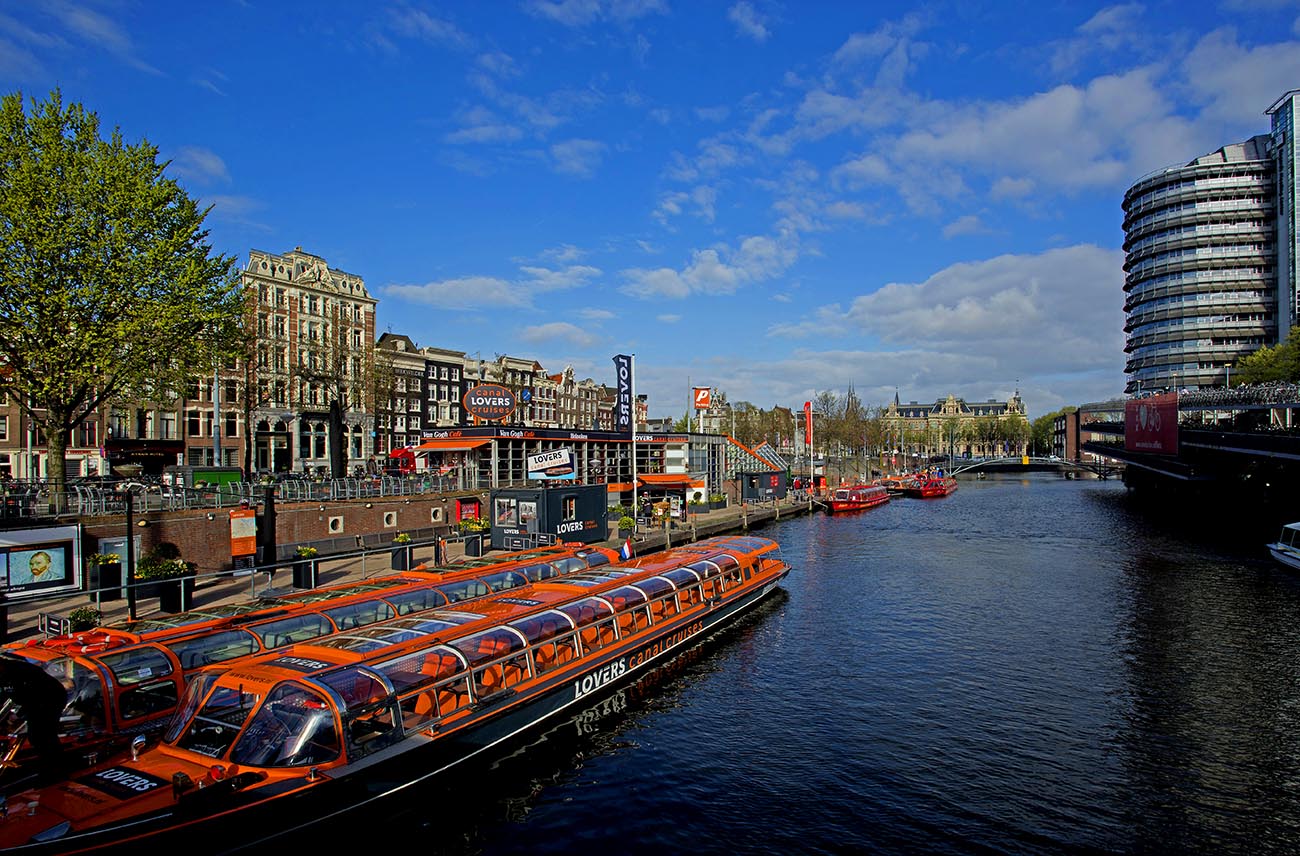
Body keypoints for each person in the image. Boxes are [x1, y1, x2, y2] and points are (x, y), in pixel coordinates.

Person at [0, 654, 70, 783]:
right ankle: (50, 765)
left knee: (41, 735)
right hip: (36, 698)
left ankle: (56, 770)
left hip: (50, 699)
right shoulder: (6, 674)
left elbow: (31, 698)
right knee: (37, 735)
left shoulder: (19, 672)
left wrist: (18, 715)